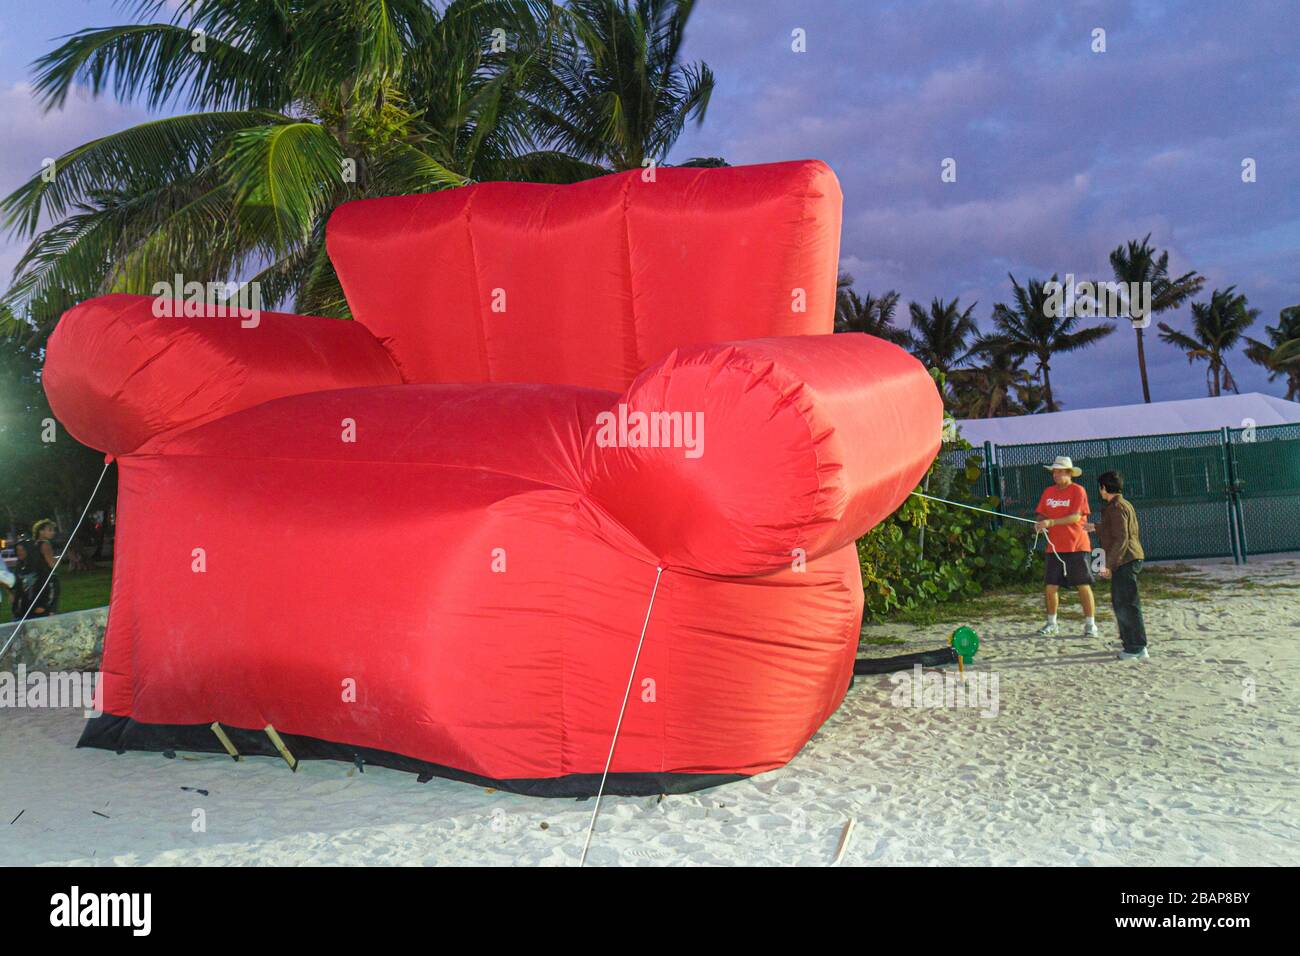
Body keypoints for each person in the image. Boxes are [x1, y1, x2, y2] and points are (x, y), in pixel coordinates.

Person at [1033, 455, 1097, 637]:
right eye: (1054, 471)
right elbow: (1041, 514)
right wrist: (1039, 523)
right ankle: (1051, 623)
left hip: (1076, 545)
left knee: (1083, 585)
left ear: (1069, 473)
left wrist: (1050, 522)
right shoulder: (1048, 492)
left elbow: (1076, 517)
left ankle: (1090, 624)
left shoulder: (1078, 491)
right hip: (1054, 547)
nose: (1056, 474)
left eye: (1060, 471)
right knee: (1050, 586)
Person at [1087, 470, 1148, 661]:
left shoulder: (1116, 507)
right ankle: (1134, 645)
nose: (1100, 491)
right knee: (1123, 603)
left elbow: (1121, 538)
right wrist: (1095, 527)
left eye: (1100, 488)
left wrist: (1109, 565)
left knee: (1127, 604)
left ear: (1104, 488)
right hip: (1128, 558)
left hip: (1126, 560)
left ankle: (1135, 647)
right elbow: (1116, 530)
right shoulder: (1122, 505)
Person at [26, 519, 60, 617]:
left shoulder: (32, 545)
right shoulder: (45, 544)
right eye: (50, 530)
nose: (53, 532)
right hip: (49, 581)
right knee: (50, 610)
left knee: (39, 608)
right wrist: (57, 559)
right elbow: (52, 564)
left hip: (35, 581)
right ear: (41, 531)